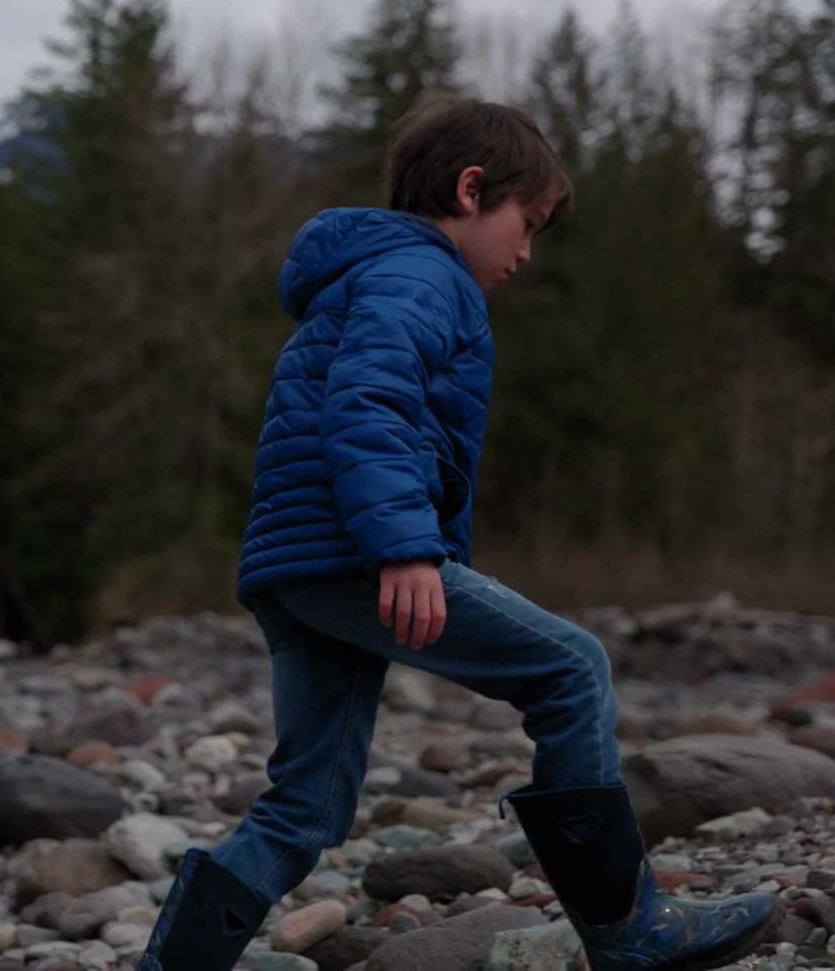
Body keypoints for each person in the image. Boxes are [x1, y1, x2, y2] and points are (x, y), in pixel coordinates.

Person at [138, 97, 782, 970]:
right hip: (354, 549)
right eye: (527, 224)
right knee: (570, 668)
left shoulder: (368, 273)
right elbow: (369, 400)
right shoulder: (420, 274)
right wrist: (404, 544)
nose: (525, 252)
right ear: (473, 190)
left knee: (306, 807)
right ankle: (628, 928)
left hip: (300, 566)